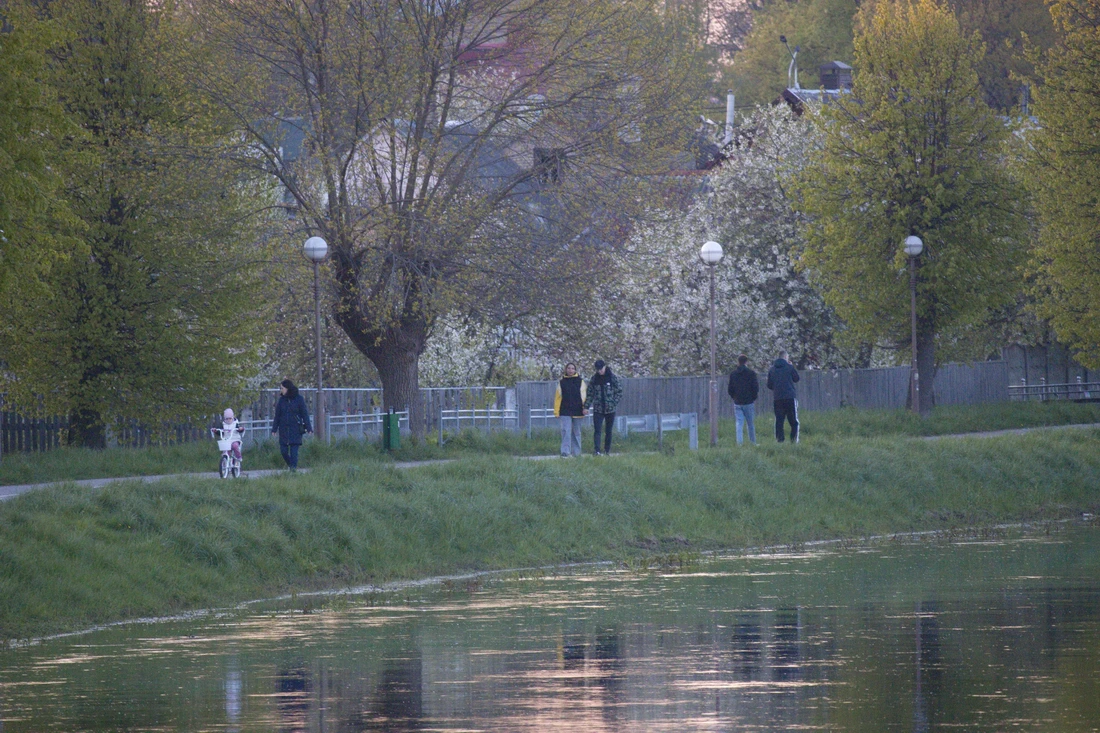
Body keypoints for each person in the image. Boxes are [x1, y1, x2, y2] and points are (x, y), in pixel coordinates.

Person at [584, 359, 623, 455]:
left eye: (601, 369)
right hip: (598, 409)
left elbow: (619, 391)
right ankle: (597, 450)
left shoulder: (612, 377)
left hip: (610, 409)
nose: (599, 371)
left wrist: (613, 403)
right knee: (597, 430)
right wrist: (586, 407)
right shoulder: (594, 379)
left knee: (608, 431)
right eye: (598, 369)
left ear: (604, 367)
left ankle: (607, 450)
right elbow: (590, 394)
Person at [272, 379, 313, 469]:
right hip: (283, 430)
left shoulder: (299, 399)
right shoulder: (281, 400)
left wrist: (309, 428)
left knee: (294, 452)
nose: (281, 390)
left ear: (287, 388)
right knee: (283, 451)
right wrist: (274, 429)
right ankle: (291, 465)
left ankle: (293, 470)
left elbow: (304, 414)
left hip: (295, 429)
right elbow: (277, 416)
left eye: (282, 388)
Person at [766, 350, 800, 443]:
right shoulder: (789, 367)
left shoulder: (772, 369)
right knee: (793, 421)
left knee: (779, 421)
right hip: (789, 397)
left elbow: (769, 385)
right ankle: (793, 440)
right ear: (785, 357)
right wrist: (792, 367)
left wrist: (777, 388)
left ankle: (780, 440)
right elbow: (796, 378)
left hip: (777, 398)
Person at [554, 363, 587, 457]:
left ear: (575, 370)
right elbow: (557, 397)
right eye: (569, 368)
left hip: (578, 410)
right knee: (566, 431)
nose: (570, 370)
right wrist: (556, 411)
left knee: (576, 432)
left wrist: (585, 408)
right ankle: (565, 452)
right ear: (566, 369)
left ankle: (576, 453)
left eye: (572, 368)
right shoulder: (561, 382)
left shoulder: (580, 381)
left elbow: (584, 396)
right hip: (565, 410)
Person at [727, 354, 759, 445]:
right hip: (748, 401)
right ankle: (753, 442)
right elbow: (755, 388)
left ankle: (739, 443)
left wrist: (734, 397)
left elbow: (730, 389)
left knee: (739, 423)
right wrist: (753, 397)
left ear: (738, 362)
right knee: (750, 424)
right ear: (746, 362)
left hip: (737, 402)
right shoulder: (751, 373)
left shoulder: (733, 374)